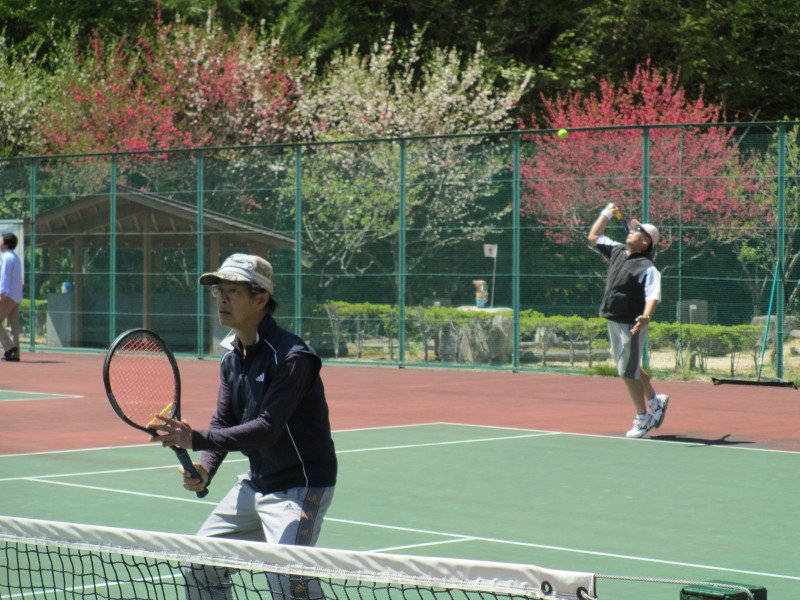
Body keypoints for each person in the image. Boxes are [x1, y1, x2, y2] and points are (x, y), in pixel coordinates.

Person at [150, 253, 337, 599]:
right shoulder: (232, 357)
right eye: (218, 291)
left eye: (233, 291)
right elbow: (225, 419)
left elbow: (267, 429)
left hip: (300, 487)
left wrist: (194, 438)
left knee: (288, 582)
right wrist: (205, 468)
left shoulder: (293, 357)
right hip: (257, 483)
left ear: (261, 299)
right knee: (200, 565)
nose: (222, 299)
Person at [588, 204, 669, 439]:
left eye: (637, 230)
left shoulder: (648, 268)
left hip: (631, 325)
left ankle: (643, 418)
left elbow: (653, 295)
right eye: (632, 228)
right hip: (613, 320)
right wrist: (606, 213)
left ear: (645, 242)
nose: (631, 231)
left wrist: (646, 316)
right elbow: (593, 237)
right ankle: (655, 400)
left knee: (627, 373)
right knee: (629, 367)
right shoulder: (617, 251)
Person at [0, 232, 23, 363]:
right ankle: (16, 353)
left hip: (8, 295)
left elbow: (5, 278)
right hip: (17, 296)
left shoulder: (7, 257)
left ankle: (9, 348)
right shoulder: (14, 257)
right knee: (14, 326)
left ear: (5, 244)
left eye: (1, 240)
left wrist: (1, 294)